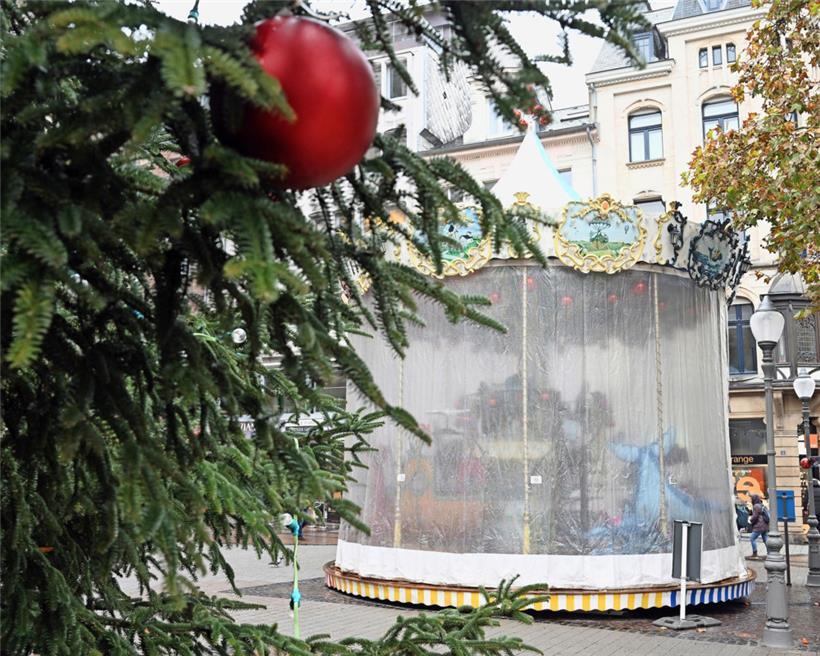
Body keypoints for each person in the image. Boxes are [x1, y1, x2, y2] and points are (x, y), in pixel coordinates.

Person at [748, 493, 769, 559]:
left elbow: (755, 516)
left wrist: (750, 520)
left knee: (752, 538)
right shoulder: (761, 505)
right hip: (765, 525)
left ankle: (755, 553)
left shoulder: (756, 506)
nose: (751, 500)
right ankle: (770, 552)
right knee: (765, 539)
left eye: (752, 499)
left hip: (759, 526)